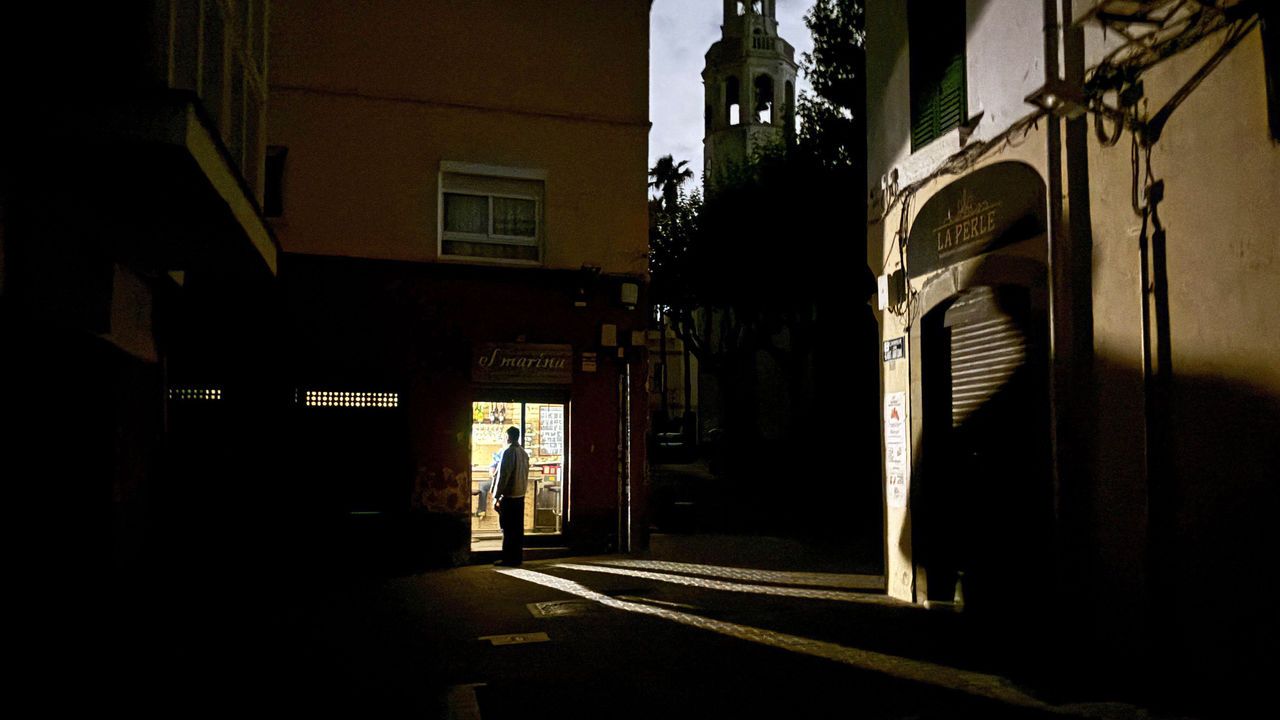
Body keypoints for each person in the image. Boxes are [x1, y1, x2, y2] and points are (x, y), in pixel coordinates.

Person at [492, 425, 529, 567]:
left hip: (509, 497)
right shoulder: (523, 453)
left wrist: (497, 496)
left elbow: (503, 475)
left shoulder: (508, 452)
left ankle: (507, 558)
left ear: (508, 437)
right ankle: (517, 558)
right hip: (520, 496)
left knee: (507, 529)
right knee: (517, 530)